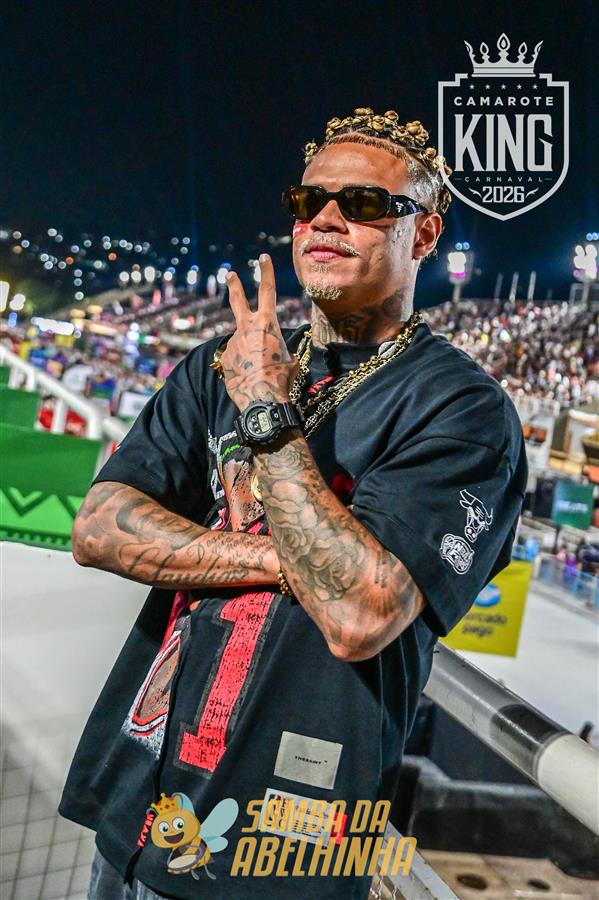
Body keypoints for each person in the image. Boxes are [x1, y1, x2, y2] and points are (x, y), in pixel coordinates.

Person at [59, 107, 527, 899]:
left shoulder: (463, 410)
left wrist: (267, 416)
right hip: (137, 810)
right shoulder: (222, 364)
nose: (327, 220)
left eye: (365, 203)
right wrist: (294, 560)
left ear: (424, 235)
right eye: (309, 201)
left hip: (279, 855)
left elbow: (357, 613)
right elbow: (99, 528)